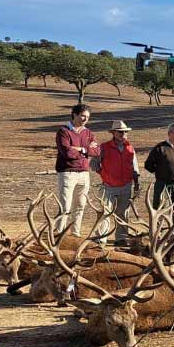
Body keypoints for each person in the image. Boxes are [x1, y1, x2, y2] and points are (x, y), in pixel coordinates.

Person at [92, 120, 139, 245]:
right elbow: (94, 163)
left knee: (123, 213)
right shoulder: (103, 147)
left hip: (126, 186)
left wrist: (136, 182)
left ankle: (121, 239)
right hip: (108, 187)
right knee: (105, 214)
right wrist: (103, 173)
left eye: (125, 132)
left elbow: (135, 167)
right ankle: (101, 239)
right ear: (113, 133)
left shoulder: (130, 147)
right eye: (120, 132)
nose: (123, 134)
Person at [55, 103, 99, 236]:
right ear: (74, 115)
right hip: (68, 172)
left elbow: (96, 151)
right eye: (82, 116)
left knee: (80, 205)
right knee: (65, 206)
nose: (85, 119)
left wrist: (81, 149)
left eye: (87, 117)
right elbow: (67, 153)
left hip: (84, 173)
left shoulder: (88, 132)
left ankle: (75, 234)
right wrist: (86, 150)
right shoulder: (64, 131)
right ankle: (59, 233)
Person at [144, 123, 174, 221]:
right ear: (169, 133)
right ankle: (158, 234)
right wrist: (162, 172)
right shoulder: (159, 148)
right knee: (159, 211)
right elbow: (148, 165)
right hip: (163, 185)